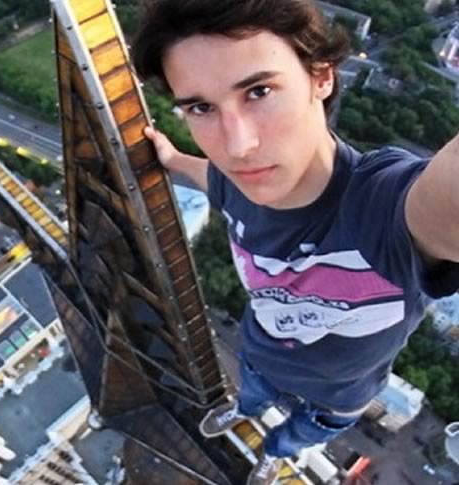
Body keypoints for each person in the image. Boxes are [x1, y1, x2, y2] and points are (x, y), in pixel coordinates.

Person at [131, 1, 459, 484]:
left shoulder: (382, 212)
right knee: (250, 397)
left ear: (321, 76)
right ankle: (242, 411)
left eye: (259, 91)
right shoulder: (235, 183)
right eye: (201, 107)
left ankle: (275, 453)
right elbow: (214, 179)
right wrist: (174, 159)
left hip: (337, 397)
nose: (237, 147)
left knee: (296, 436)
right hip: (260, 357)